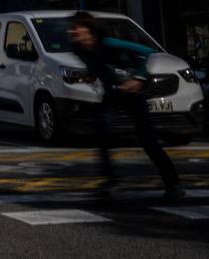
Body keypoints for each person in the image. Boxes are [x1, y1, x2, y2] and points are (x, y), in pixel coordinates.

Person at [68, 11, 184, 200]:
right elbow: (96, 67)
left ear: (89, 30)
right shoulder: (78, 48)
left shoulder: (108, 44)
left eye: (76, 28)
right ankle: (111, 181)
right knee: (102, 133)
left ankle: (173, 183)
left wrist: (138, 78)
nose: (72, 32)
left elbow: (147, 52)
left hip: (133, 93)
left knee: (148, 141)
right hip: (113, 94)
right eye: (71, 29)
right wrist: (88, 76)